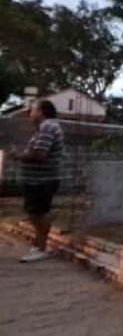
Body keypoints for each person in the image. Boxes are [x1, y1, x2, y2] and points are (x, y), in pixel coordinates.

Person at [8, 99, 64, 263]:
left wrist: (18, 156)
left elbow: (40, 154)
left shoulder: (48, 127)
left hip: (41, 181)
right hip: (38, 180)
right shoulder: (45, 128)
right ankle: (39, 246)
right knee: (35, 214)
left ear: (42, 112)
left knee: (36, 215)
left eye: (32, 110)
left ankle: (41, 248)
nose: (30, 114)